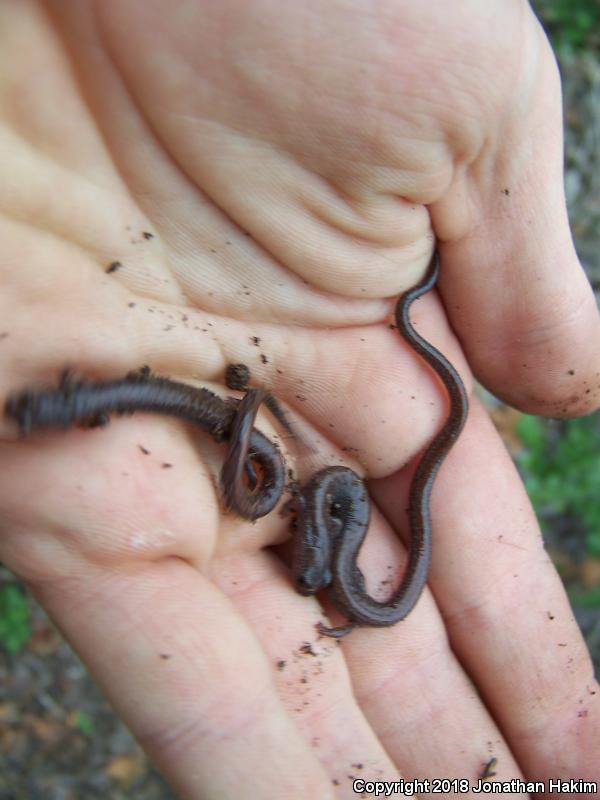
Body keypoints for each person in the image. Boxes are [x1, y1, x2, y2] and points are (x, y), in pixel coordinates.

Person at [1, 2, 598, 797]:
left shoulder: (321, 525)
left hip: (298, 486)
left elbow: (307, 529)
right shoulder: (309, 513)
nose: (311, 568)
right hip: (281, 472)